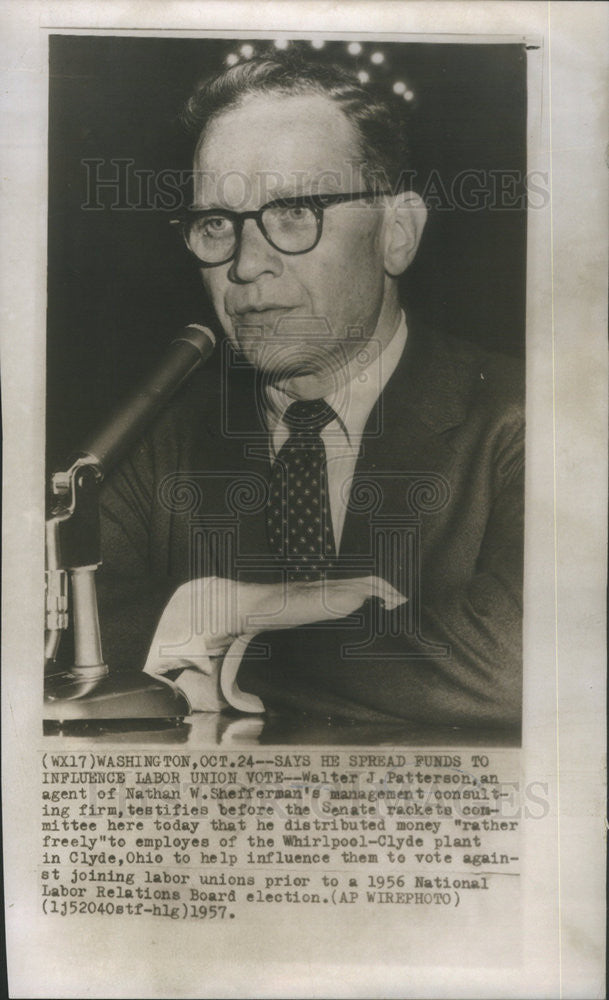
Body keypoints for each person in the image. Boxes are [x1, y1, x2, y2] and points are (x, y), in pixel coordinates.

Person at [97, 52, 524, 730]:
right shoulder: (152, 440)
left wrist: (225, 637)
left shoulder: (527, 419)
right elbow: (46, 626)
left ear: (397, 233)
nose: (244, 264)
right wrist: (233, 610)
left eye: (294, 212)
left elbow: (523, 663)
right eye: (215, 223)